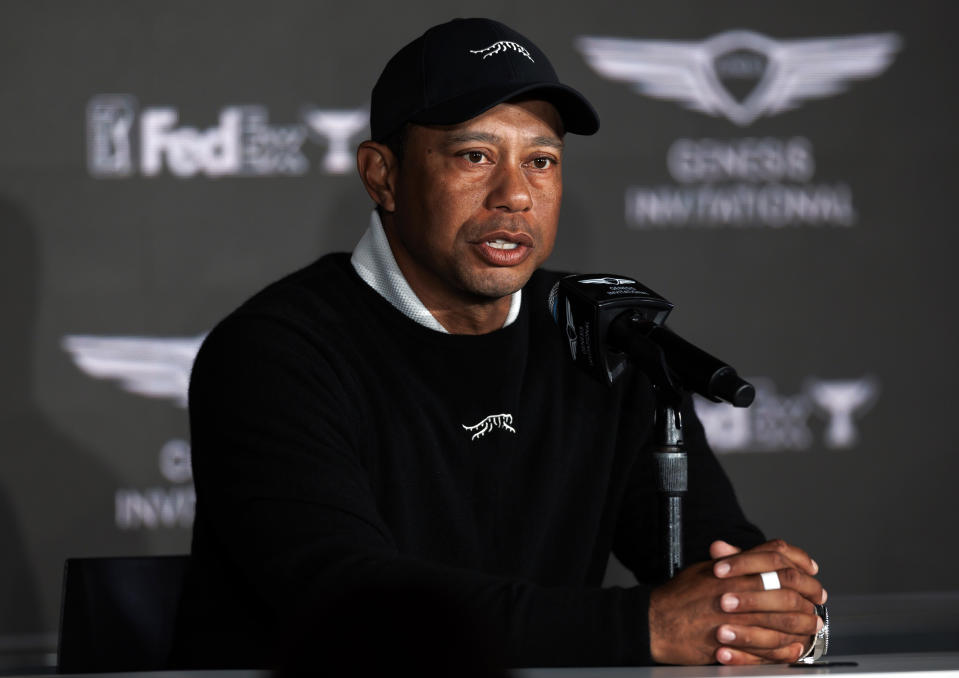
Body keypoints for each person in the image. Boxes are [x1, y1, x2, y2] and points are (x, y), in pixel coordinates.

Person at [173, 17, 827, 670]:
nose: (514, 194)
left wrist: (778, 613)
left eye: (540, 161)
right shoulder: (274, 354)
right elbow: (349, 606)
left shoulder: (603, 336)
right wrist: (639, 626)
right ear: (382, 176)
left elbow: (723, 569)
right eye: (474, 156)